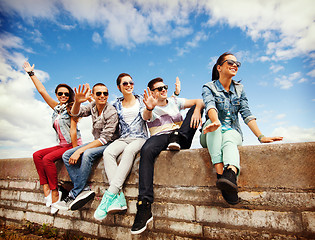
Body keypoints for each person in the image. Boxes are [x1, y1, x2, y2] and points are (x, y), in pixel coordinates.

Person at [200, 52, 283, 205]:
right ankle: (221, 177)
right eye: (230, 62)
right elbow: (210, 105)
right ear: (219, 67)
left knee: (230, 137)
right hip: (210, 132)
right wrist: (215, 121)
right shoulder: (208, 87)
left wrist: (261, 136)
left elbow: (246, 113)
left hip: (232, 131)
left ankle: (230, 174)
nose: (235, 65)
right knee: (216, 130)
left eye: (237, 63)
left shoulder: (239, 89)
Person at [130, 77, 204, 234]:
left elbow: (199, 101)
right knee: (147, 150)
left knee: (195, 108)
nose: (164, 90)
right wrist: (149, 108)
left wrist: (197, 109)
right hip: (161, 137)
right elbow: (145, 116)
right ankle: (144, 205)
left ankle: (177, 135)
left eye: (165, 87)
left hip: (182, 138)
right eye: (159, 88)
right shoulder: (148, 105)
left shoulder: (175, 101)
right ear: (152, 92)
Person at [23, 61, 82, 214]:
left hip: (71, 144)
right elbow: (42, 91)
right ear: (57, 94)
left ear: (70, 96)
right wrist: (31, 74)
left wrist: (75, 150)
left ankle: (55, 192)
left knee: (47, 159)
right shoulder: (56, 108)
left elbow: (73, 131)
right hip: (61, 145)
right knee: (37, 155)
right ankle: (45, 187)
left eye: (66, 94)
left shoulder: (71, 108)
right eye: (60, 93)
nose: (63, 96)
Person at [55, 83, 119, 211]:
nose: (102, 96)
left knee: (87, 154)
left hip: (110, 142)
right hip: (98, 141)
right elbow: (76, 114)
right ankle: (83, 188)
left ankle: (74, 193)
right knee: (66, 155)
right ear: (93, 95)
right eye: (99, 93)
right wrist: (77, 102)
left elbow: (105, 138)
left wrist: (80, 150)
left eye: (105, 93)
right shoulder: (93, 106)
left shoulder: (111, 111)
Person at [93, 73, 148, 220]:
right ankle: (120, 197)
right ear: (119, 87)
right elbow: (101, 114)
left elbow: (150, 114)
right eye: (125, 83)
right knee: (108, 152)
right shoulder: (116, 105)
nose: (129, 85)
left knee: (129, 151)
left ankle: (109, 196)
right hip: (123, 138)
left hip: (140, 138)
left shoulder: (143, 100)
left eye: (131, 82)